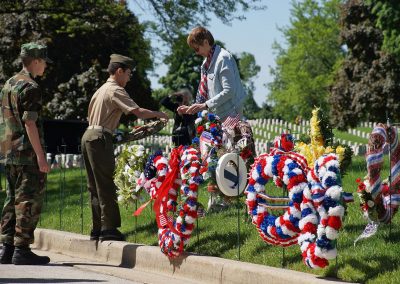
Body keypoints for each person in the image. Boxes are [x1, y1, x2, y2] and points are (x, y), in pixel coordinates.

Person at [81, 54, 168, 242]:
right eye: (128, 73)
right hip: (99, 138)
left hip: (88, 135)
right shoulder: (115, 90)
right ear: (119, 71)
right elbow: (137, 112)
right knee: (105, 184)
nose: (129, 78)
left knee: (94, 186)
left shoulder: (101, 90)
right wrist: (159, 114)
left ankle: (97, 228)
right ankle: (109, 229)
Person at [0, 42, 52, 265]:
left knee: (12, 199)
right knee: (28, 200)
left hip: (8, 151)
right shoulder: (31, 87)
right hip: (26, 153)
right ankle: (22, 249)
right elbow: (30, 123)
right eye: (44, 63)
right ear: (36, 61)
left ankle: (7, 247)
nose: (45, 68)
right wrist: (40, 156)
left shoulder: (9, 84)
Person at [177, 26, 247, 122]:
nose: (196, 53)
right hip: (216, 115)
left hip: (231, 114)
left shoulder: (223, 58)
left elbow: (229, 90)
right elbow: (208, 94)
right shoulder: (206, 63)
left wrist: (205, 105)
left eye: (197, 49)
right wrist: (192, 108)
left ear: (206, 42)